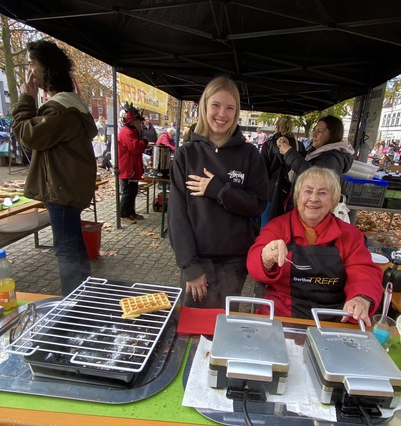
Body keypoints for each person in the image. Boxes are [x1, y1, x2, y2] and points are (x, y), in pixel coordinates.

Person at [168, 76, 268, 308]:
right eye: (216, 105)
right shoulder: (187, 154)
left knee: (222, 328)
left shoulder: (249, 154)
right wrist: (190, 267)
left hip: (234, 261)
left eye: (229, 108)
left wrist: (218, 191)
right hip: (197, 259)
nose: (222, 114)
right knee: (193, 331)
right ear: (204, 106)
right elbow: (177, 216)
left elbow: (257, 205)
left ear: (237, 112)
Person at [12, 39, 97, 296]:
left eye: (32, 64)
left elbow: (28, 135)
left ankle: (74, 304)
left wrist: (26, 98)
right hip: (68, 185)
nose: (30, 71)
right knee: (74, 244)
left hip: (61, 187)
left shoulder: (60, 109)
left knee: (66, 248)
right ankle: (83, 296)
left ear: (45, 69)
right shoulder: (71, 104)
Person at [248, 166, 382, 321]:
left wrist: (361, 298)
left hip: (333, 318)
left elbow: (364, 271)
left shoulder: (349, 235)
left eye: (322, 193)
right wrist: (265, 258)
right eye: (308, 191)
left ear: (333, 200)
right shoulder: (278, 227)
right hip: (282, 315)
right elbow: (254, 264)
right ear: (297, 197)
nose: (314, 198)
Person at [276, 115, 353, 211]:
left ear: (333, 134)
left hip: (312, 209)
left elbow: (314, 175)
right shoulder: (316, 152)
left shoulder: (333, 157)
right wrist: (287, 147)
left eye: (320, 131)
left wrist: (289, 153)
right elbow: (302, 161)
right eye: (314, 130)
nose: (314, 134)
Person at [260, 115, 306, 227]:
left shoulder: (269, 145)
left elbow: (262, 171)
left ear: (278, 127)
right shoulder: (299, 146)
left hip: (271, 191)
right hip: (292, 192)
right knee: (287, 226)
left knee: (267, 224)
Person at [117, 104, 148, 224]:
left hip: (132, 167)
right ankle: (123, 214)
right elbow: (135, 148)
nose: (141, 124)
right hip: (127, 168)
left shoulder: (131, 132)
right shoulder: (126, 132)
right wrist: (144, 141)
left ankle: (131, 212)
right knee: (127, 193)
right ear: (133, 121)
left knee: (133, 191)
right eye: (139, 122)